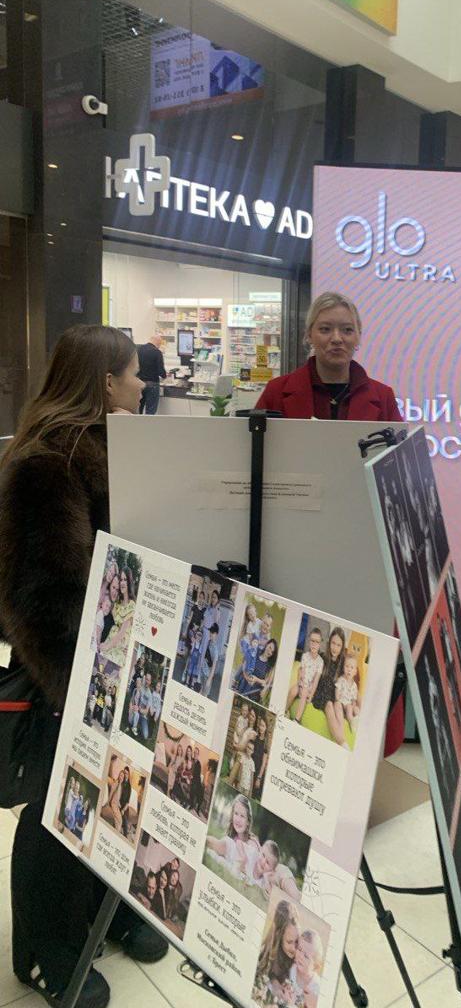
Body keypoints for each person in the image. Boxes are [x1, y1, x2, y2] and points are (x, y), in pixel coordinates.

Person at [0, 325, 167, 1007]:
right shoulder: (46, 461)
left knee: (116, 799)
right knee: (56, 807)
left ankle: (108, 907)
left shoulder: (116, 450)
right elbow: (39, 594)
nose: (143, 383)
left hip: (120, 658)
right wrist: (80, 686)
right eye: (133, 373)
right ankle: (42, 948)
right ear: (103, 382)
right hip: (66, 672)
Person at [255, 292, 402, 421]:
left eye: (347, 330)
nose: (337, 338)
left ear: (358, 337)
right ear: (309, 335)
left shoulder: (384, 397)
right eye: (325, 329)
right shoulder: (276, 392)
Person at [315, 627, 349, 747]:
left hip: (334, 696)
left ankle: (341, 738)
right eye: (333, 643)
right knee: (329, 705)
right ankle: (342, 743)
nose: (335, 648)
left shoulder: (343, 663)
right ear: (329, 642)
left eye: (338, 645)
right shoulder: (323, 657)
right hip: (321, 694)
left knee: (337, 706)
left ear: (342, 647)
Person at [288, 627, 325, 720]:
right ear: (309, 642)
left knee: (304, 692)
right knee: (293, 690)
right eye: (312, 641)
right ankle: (284, 710)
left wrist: (311, 694)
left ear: (320, 644)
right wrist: (299, 683)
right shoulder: (305, 656)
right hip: (302, 682)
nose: (314, 644)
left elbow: (316, 680)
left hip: (310, 687)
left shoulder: (320, 661)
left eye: (317, 642)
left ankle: (297, 719)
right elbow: (301, 672)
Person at [136, 333, 166, 415]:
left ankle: (139, 425)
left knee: (139, 407)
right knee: (150, 411)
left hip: (140, 382)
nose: (159, 346)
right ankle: (148, 426)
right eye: (160, 344)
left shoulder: (139, 349)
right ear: (157, 342)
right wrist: (165, 376)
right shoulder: (157, 352)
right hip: (152, 383)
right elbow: (161, 371)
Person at [334, 652, 362, 734]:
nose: (349, 669)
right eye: (347, 666)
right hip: (342, 703)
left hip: (349, 704)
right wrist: (337, 699)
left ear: (355, 671)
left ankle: (357, 720)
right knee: (349, 708)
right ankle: (351, 723)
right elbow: (337, 691)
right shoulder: (341, 680)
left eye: (352, 668)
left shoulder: (354, 685)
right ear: (343, 668)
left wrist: (354, 706)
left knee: (356, 709)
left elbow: (354, 699)